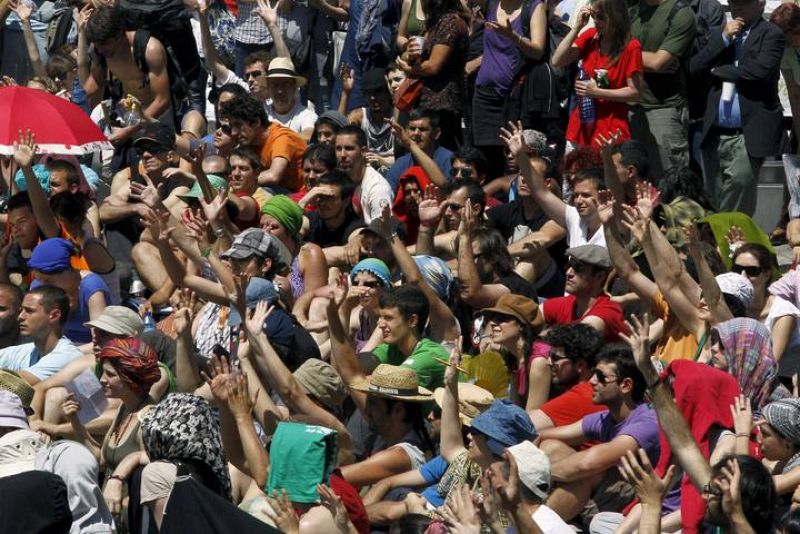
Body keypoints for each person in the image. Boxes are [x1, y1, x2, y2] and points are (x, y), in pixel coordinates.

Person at [537, 344, 659, 522]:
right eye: (594, 373)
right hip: (613, 492)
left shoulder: (646, 422)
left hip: (644, 503)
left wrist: (537, 473)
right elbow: (545, 435)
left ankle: (534, 526)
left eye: (601, 377)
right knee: (551, 447)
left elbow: (588, 463)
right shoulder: (606, 418)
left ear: (626, 385)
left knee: (589, 472)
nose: (592, 381)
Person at [690, 0, 785, 216]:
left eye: (744, 3)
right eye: (733, 3)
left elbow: (758, 71)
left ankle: (731, 233)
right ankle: (722, 231)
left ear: (760, 5)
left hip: (746, 132)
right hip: (715, 131)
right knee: (714, 194)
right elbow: (695, 66)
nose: (737, 8)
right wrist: (723, 39)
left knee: (740, 184)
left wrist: (718, 71)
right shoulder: (720, 34)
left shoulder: (771, 34)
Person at [63, 337, 161, 522]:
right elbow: (101, 460)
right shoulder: (125, 408)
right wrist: (75, 421)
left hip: (130, 517)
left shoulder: (148, 418)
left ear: (130, 377)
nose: (102, 379)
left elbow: (152, 478)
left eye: (110, 374)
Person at [551, 0, 642, 148]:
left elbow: (635, 93)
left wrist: (598, 92)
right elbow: (557, 60)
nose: (595, 21)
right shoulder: (590, 36)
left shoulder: (631, 47)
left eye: (600, 16)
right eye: (593, 15)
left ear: (615, 16)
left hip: (609, 128)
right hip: (581, 125)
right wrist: (577, 27)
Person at [504, 122, 607, 248]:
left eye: (586, 195)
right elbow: (540, 191)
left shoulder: (614, 223)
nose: (579, 200)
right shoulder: (574, 218)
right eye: (576, 195)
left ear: (603, 195)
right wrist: (520, 155)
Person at [628, 0, 696, 181]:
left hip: (664, 110)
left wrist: (622, 55)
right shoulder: (634, 11)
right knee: (635, 182)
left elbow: (658, 62)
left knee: (671, 180)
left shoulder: (680, 13)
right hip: (631, 107)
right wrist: (627, 56)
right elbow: (610, 49)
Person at [82, 5, 171, 134]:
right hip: (128, 112)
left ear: (118, 34)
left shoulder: (150, 50)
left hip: (156, 115)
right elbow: (95, 83)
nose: (100, 49)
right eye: (97, 44)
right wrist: (73, 101)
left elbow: (162, 100)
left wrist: (128, 131)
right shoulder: (98, 51)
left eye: (104, 44)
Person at [396, 0, 469, 150]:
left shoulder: (450, 22)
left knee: (443, 151)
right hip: (428, 101)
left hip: (443, 103)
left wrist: (409, 69)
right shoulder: (436, 22)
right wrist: (409, 55)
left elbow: (433, 66)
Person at [27, 238, 110, 345]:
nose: (44, 286)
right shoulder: (38, 287)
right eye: (39, 279)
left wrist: (65, 352)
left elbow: (100, 343)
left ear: (67, 271)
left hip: (88, 349)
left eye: (48, 280)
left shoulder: (91, 288)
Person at [218, 95, 307, 192]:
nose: (233, 132)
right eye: (232, 127)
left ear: (256, 122)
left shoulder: (281, 138)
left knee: (261, 191)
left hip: (300, 193)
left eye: (238, 125)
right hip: (280, 191)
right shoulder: (249, 141)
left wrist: (238, 182)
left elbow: (273, 176)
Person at [528, 324, 606, 432]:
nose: (549, 362)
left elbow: (523, 425)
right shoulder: (596, 390)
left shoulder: (581, 396)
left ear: (580, 365)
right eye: (549, 355)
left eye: (555, 358)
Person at [730, 243, 800, 363]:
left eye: (752, 271)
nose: (743, 276)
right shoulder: (732, 304)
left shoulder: (782, 312)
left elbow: (769, 364)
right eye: (737, 269)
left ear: (767, 274)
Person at [541, 245, 627, 341]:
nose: (568, 273)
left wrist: (543, 336)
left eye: (578, 267)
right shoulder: (567, 303)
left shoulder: (606, 312)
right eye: (569, 265)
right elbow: (530, 317)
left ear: (599, 277)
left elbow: (577, 341)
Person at [0, 285, 81, 385]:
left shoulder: (66, 355)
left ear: (54, 315)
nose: (20, 316)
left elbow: (15, 384)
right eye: (21, 310)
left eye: (29, 311)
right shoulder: (26, 351)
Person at [334, 126, 394, 224]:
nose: (342, 155)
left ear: (364, 152)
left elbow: (381, 231)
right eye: (338, 149)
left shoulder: (377, 189)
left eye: (349, 148)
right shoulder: (336, 179)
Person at [385, 109, 453, 191]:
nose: (416, 133)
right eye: (412, 129)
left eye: (423, 129)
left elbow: (447, 187)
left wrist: (410, 144)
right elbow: (387, 192)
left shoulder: (448, 159)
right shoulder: (401, 163)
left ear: (436, 133)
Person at [264, 57, 318, 141]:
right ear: (268, 88)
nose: (280, 91)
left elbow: (308, 136)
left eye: (285, 85)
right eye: (275, 85)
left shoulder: (307, 115)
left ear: (294, 87)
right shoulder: (263, 113)